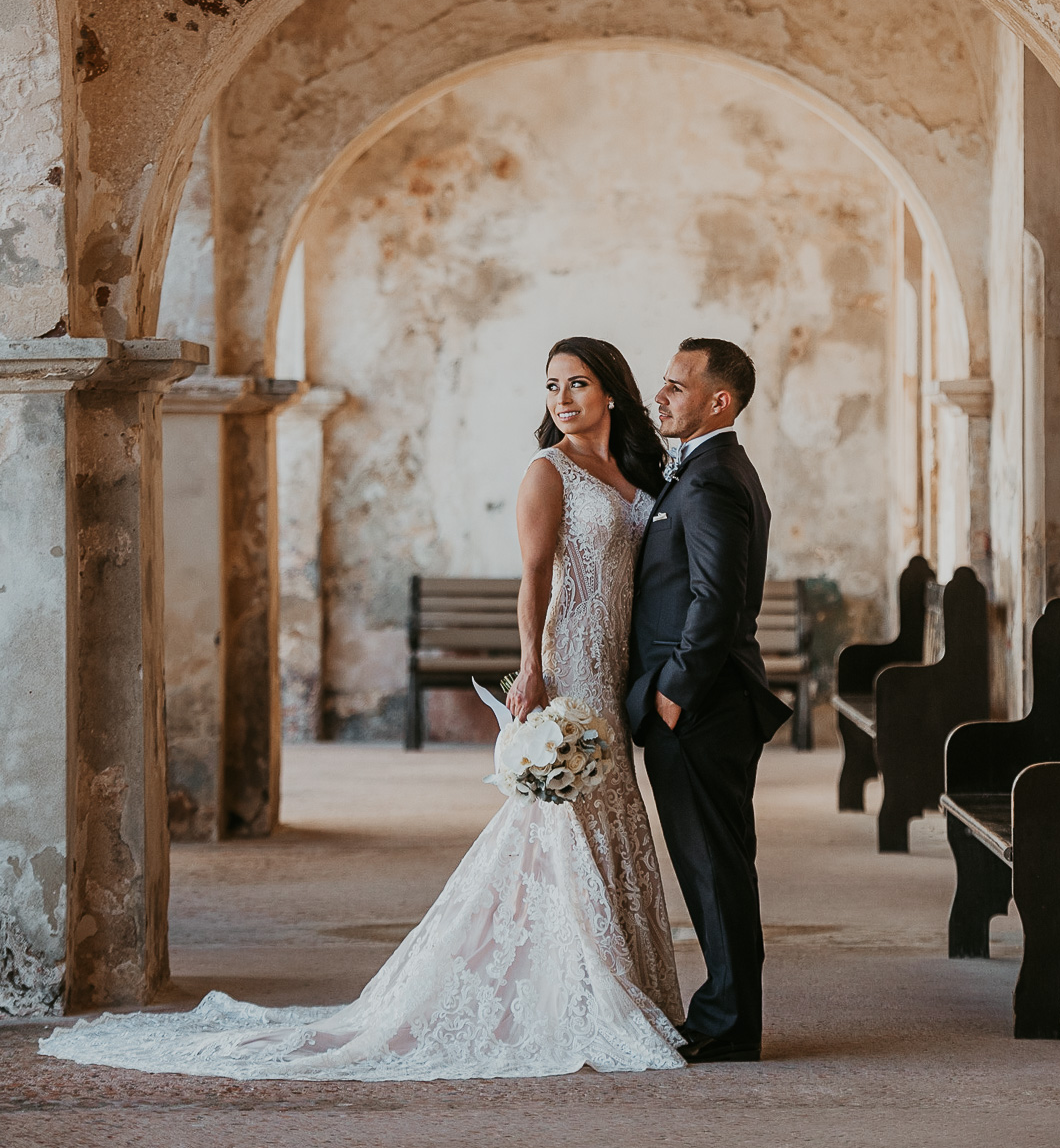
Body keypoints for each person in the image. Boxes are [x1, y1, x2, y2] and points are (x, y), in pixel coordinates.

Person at [41, 337, 684, 1081]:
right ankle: (576, 992)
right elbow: (534, 580)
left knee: (615, 813)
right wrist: (533, 671)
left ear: (611, 392)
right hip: (572, 663)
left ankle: (628, 983)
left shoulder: (639, 470)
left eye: (577, 384)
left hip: (619, 669)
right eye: (551, 386)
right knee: (564, 819)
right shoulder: (549, 473)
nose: (562, 399)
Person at [628, 338, 790, 1064]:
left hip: (702, 705)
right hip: (703, 704)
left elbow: (716, 600)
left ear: (718, 401)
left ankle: (728, 1026)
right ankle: (726, 1015)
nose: (659, 395)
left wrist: (672, 694)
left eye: (674, 384)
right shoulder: (701, 469)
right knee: (713, 863)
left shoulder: (714, 476)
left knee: (714, 865)